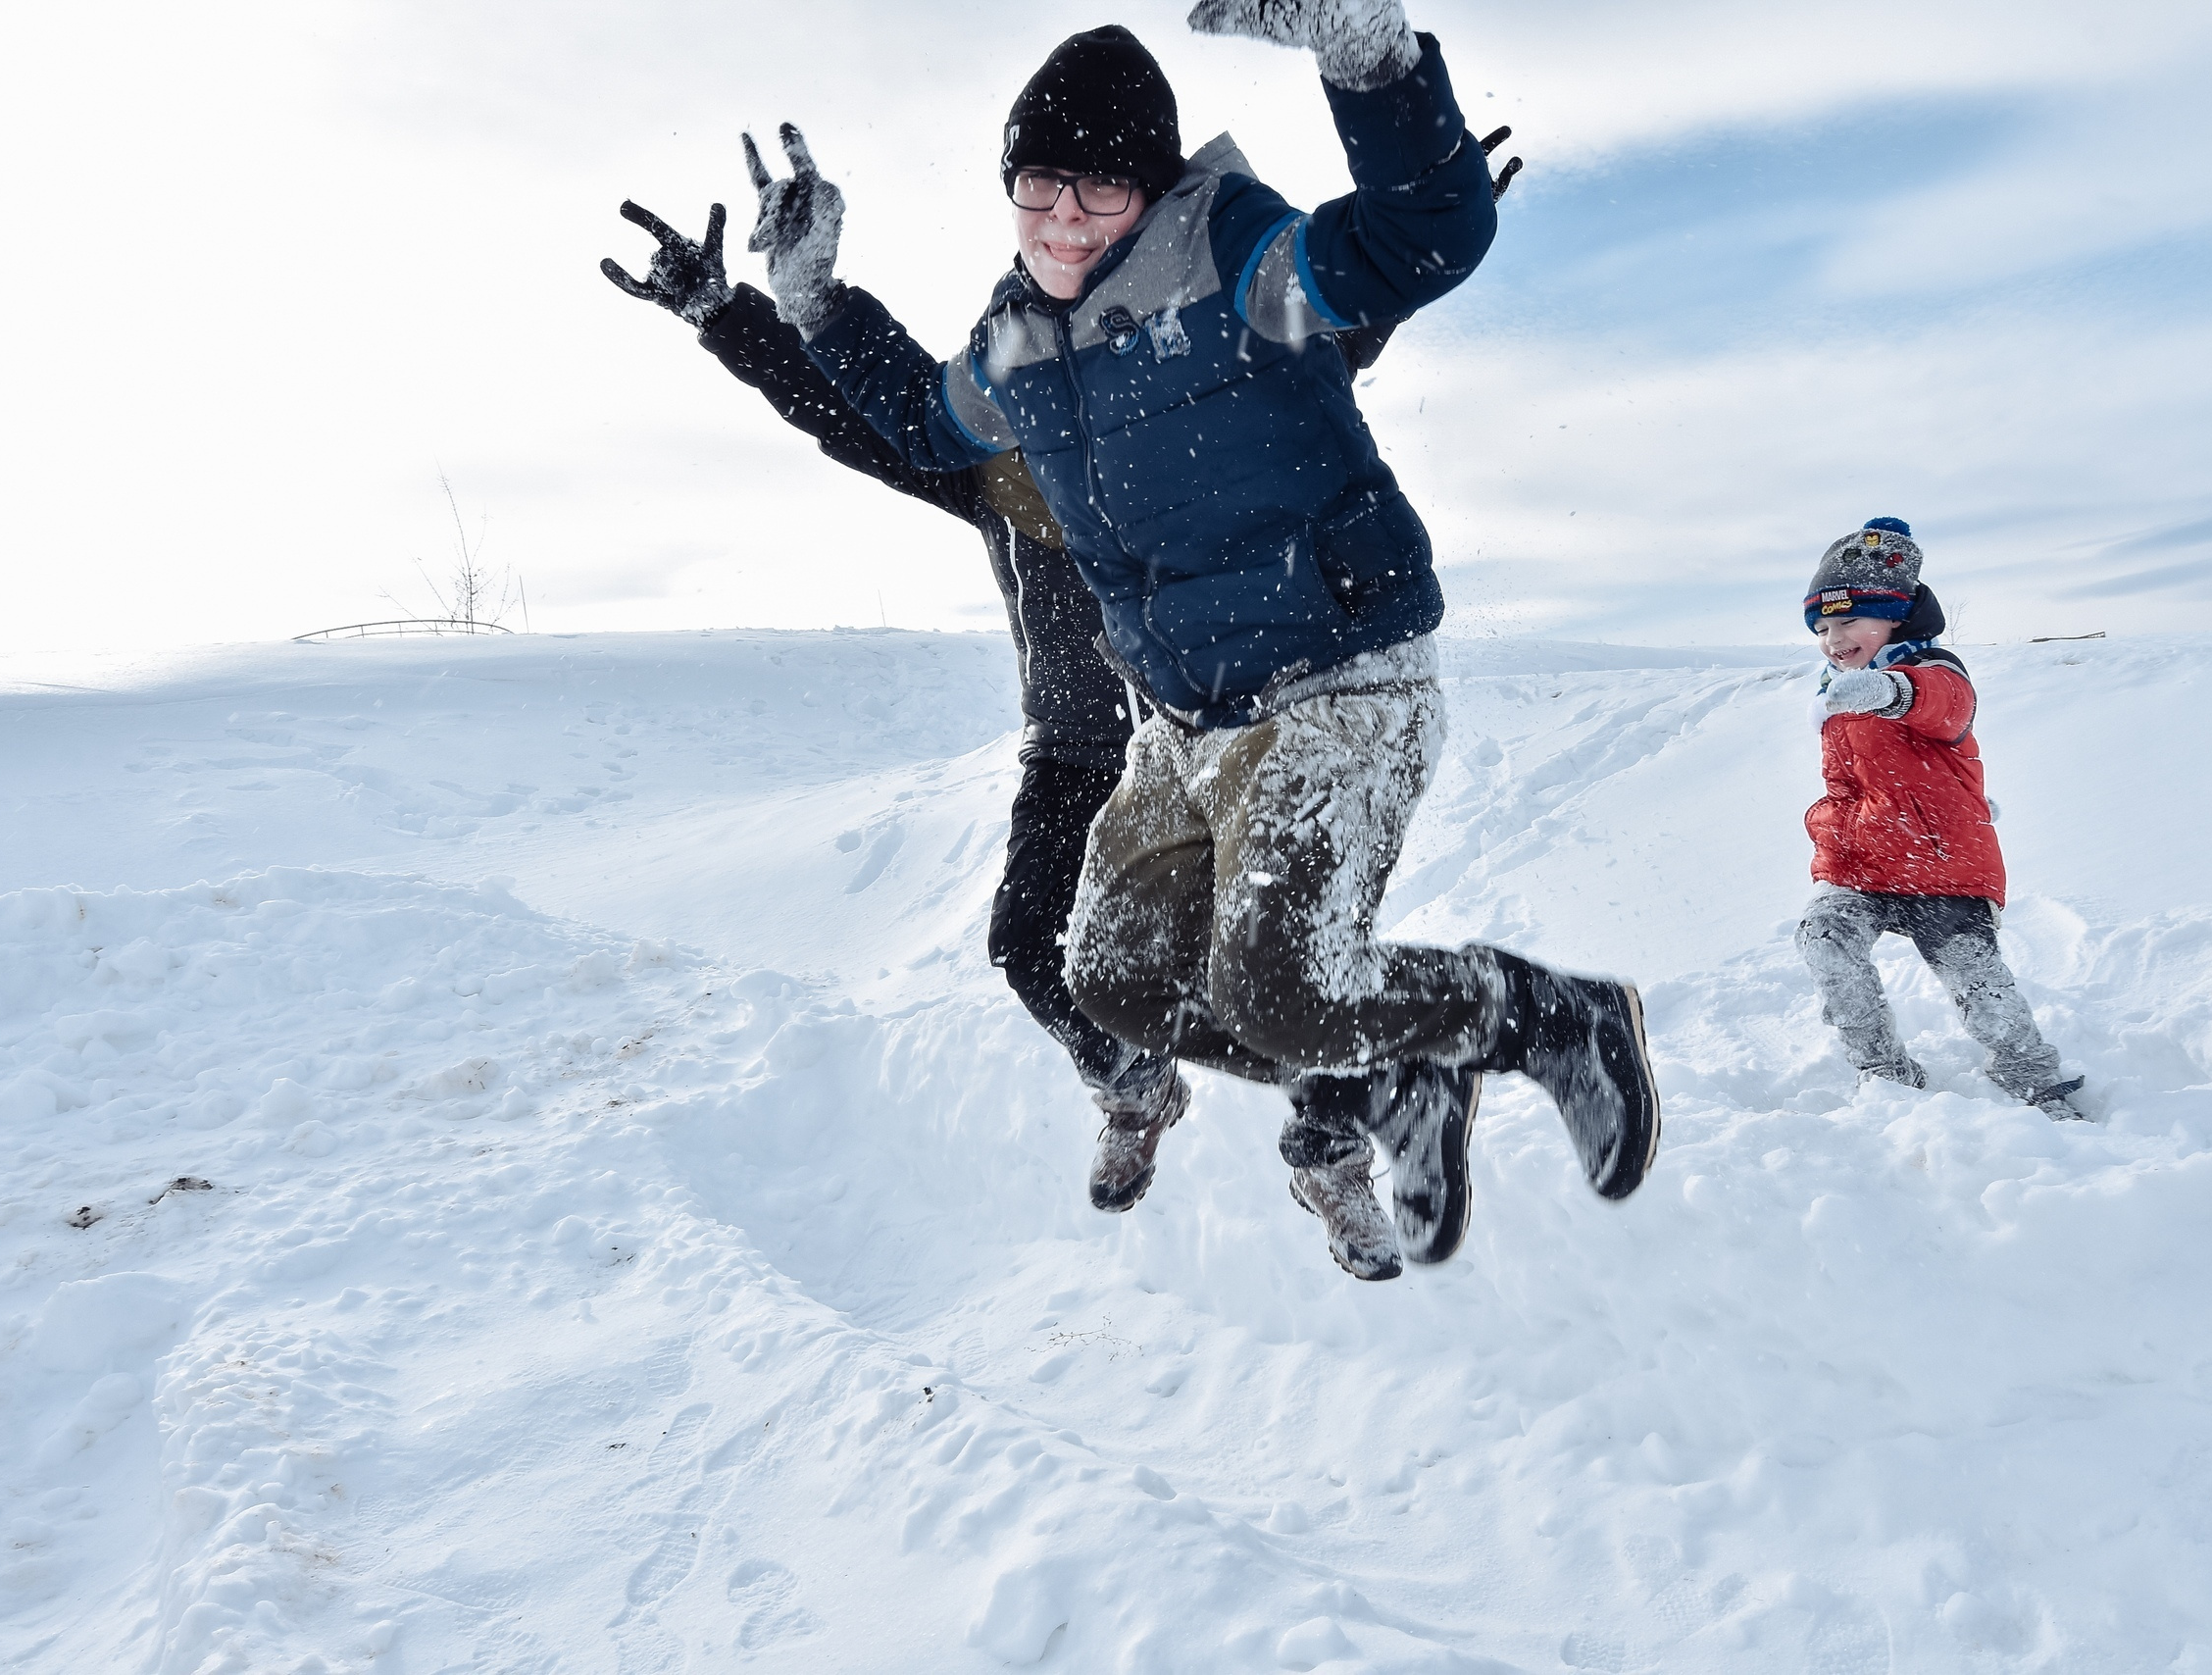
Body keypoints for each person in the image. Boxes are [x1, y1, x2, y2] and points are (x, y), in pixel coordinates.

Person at [730, 2, 1662, 1283]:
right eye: (1040, 183)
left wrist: (1367, 57)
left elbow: (1421, 234)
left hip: (1336, 678)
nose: (1064, 217)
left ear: (1151, 186)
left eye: (1101, 188)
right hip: (1182, 723)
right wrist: (814, 302)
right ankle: (1396, 1070)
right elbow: (919, 420)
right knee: (1112, 983)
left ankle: (1555, 1018)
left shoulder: (1239, 267)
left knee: (1282, 991)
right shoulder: (1013, 343)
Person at [598, 133, 1521, 1224]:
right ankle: (1136, 1086)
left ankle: (1333, 1147)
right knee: (1028, 947)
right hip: (1080, 741)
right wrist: (728, 316)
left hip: (1226, 717)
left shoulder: (1187, 405)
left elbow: (1315, 333)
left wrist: (1420, 218)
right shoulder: (987, 460)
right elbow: (846, 411)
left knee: (1275, 963)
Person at [1796, 517, 2089, 1120]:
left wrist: (1888, 692)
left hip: (1944, 868)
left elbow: (1942, 706)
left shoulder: (1936, 669)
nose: (1834, 638)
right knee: (1823, 938)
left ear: (1895, 617)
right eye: (1822, 628)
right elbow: (1845, 788)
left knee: (1979, 985)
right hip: (1867, 869)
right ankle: (1883, 1071)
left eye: (1850, 621)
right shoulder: (1835, 698)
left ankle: (2031, 1076)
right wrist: (1832, 849)